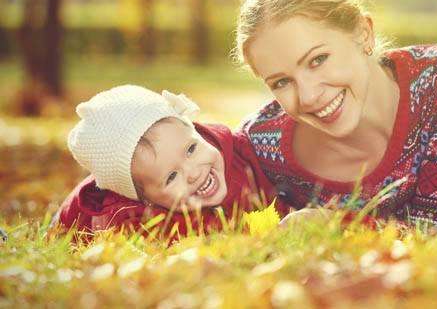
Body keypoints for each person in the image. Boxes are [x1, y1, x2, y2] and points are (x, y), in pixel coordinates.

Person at [235, 0, 437, 228]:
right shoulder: (258, 145)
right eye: (281, 82)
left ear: (363, 33)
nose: (308, 97)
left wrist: (334, 224)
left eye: (317, 59)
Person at [56, 85, 282, 238]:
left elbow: (277, 183)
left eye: (191, 149)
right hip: (79, 221)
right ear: (145, 200)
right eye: (171, 176)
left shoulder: (235, 153)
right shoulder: (139, 220)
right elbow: (214, 238)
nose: (193, 173)